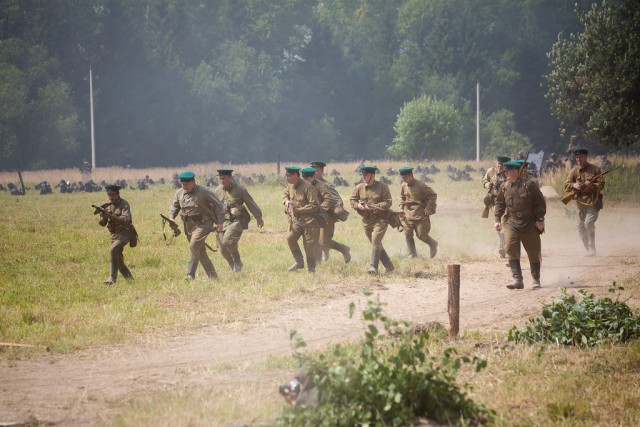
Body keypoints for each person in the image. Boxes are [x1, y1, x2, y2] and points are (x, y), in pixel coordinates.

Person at [494, 161, 546, 289]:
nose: (505, 173)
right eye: (505, 171)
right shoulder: (504, 186)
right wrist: (497, 220)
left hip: (529, 223)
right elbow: (500, 203)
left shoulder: (529, 185)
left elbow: (540, 202)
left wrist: (539, 219)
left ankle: (535, 279)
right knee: (510, 248)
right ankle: (517, 279)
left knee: (533, 252)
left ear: (515, 171)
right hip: (512, 222)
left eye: (508, 170)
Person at [168, 171, 224, 280]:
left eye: (187, 184)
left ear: (193, 182)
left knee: (194, 245)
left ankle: (190, 274)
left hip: (204, 223)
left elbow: (219, 206)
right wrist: (171, 218)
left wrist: (220, 222)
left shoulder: (204, 191)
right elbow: (174, 207)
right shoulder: (179, 193)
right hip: (189, 227)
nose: (184, 187)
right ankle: (214, 277)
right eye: (182, 184)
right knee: (200, 252)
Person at [214, 168, 264, 272]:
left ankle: (237, 261)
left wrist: (259, 217)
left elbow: (250, 203)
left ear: (230, 177)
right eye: (220, 178)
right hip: (223, 222)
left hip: (237, 221)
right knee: (222, 249)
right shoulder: (218, 190)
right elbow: (214, 207)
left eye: (224, 178)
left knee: (228, 241)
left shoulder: (239, 189)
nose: (222, 181)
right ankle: (233, 266)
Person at [350, 165, 394, 274]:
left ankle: (373, 267)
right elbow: (352, 200)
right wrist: (358, 206)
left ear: (372, 175)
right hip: (367, 220)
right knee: (376, 243)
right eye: (363, 175)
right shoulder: (359, 187)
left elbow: (388, 202)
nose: (364, 177)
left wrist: (374, 206)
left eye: (366, 175)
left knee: (376, 240)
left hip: (381, 219)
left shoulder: (383, 187)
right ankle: (389, 266)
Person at [302, 166, 351, 264]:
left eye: (316, 170)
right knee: (315, 241)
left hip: (326, 216)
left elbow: (334, 199)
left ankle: (344, 249)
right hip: (313, 217)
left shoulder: (324, 185)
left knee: (324, 242)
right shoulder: (305, 185)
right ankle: (317, 263)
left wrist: (325, 209)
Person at [563, 148, 605, 256]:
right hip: (580, 204)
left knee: (589, 223)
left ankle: (592, 249)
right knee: (580, 226)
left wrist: (591, 185)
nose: (578, 159)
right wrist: (574, 185)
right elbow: (566, 185)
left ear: (586, 157)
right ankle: (587, 249)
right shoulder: (573, 171)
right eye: (577, 157)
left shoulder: (595, 170)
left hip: (593, 202)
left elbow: (602, 185)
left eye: (580, 157)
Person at [282, 166, 320, 272]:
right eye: (286, 176)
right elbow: (284, 194)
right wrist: (287, 201)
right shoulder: (290, 185)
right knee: (290, 238)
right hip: (297, 221)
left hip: (310, 222)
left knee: (308, 247)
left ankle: (311, 270)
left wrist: (298, 210)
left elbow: (314, 205)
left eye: (288, 176)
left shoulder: (307, 187)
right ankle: (299, 262)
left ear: (295, 175)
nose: (286, 178)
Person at [97, 184, 135, 285]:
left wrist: (111, 216)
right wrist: (104, 216)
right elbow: (102, 224)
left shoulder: (124, 204)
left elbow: (126, 220)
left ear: (117, 194)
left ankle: (112, 278)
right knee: (118, 259)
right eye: (109, 195)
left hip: (125, 234)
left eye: (112, 195)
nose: (111, 197)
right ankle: (130, 279)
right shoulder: (107, 206)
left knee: (112, 250)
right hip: (114, 236)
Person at [398, 166, 438, 259]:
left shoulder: (421, 185)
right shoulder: (403, 185)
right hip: (408, 214)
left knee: (421, 235)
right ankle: (412, 254)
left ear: (411, 175)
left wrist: (428, 208)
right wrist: (401, 208)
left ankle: (433, 244)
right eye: (402, 177)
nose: (404, 179)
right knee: (407, 234)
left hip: (420, 214)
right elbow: (402, 198)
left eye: (405, 177)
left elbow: (433, 195)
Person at [482, 155, 510, 257]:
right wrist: (487, 184)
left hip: (507, 201)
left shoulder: (509, 172)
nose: (500, 166)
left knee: (503, 221)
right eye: (499, 163)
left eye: (503, 164)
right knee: (498, 224)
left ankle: (502, 247)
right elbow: (484, 181)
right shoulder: (491, 171)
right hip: (495, 201)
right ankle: (503, 244)